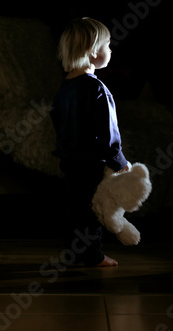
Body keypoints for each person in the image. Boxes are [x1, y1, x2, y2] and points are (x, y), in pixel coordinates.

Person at [50, 17, 130, 267]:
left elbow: (57, 120)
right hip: (91, 162)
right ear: (93, 51)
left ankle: (73, 253)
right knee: (94, 209)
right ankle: (94, 256)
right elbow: (108, 133)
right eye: (108, 45)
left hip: (69, 160)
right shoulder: (97, 88)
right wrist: (119, 162)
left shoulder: (65, 87)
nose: (111, 49)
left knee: (74, 208)